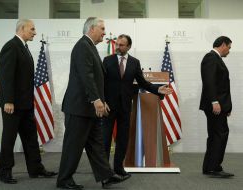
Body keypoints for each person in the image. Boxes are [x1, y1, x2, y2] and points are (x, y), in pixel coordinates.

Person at [56, 17, 124, 190]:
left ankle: (106, 176)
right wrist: (96, 100)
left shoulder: (89, 47)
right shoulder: (82, 46)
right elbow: (87, 76)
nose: (104, 32)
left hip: (89, 108)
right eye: (102, 28)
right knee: (74, 145)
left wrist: (102, 100)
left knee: (96, 145)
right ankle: (64, 180)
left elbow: (95, 78)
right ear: (91, 29)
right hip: (79, 107)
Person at [102, 34, 173, 179]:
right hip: (108, 106)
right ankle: (103, 170)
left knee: (123, 138)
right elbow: (101, 82)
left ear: (128, 47)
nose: (118, 47)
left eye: (121, 45)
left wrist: (158, 89)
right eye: (117, 44)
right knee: (105, 138)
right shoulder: (107, 60)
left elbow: (142, 82)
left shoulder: (134, 62)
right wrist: (102, 101)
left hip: (125, 107)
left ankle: (119, 168)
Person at [0, 19, 57, 184]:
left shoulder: (24, 47)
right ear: (22, 29)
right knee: (9, 139)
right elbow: (6, 75)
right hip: (13, 105)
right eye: (32, 29)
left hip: (26, 104)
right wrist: (8, 100)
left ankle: (35, 169)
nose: (35, 32)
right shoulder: (11, 46)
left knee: (31, 138)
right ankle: (5, 172)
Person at [200, 36, 234, 178]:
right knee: (220, 135)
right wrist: (215, 102)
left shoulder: (214, 58)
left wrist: (226, 106)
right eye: (229, 47)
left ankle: (209, 167)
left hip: (218, 105)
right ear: (223, 44)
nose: (229, 51)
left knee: (215, 135)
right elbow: (209, 81)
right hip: (215, 105)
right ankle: (215, 167)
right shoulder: (211, 58)